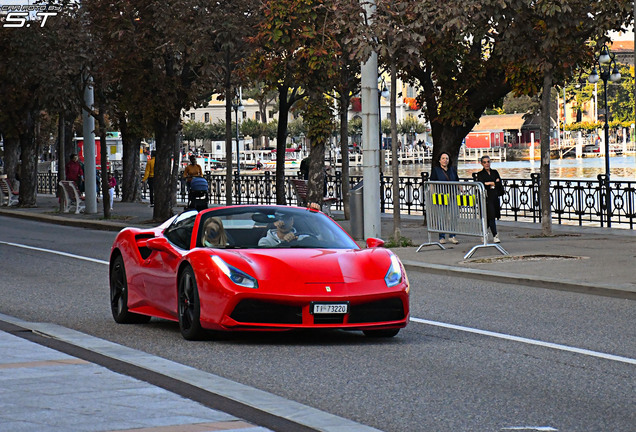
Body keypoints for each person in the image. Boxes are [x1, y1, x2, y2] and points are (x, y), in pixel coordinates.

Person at [429, 151, 459, 245]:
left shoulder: (452, 169)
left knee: (454, 215)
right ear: (439, 160)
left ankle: (452, 235)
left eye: (447, 158)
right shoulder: (436, 170)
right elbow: (432, 184)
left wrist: (461, 190)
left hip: (452, 196)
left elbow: (457, 181)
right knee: (442, 216)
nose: (445, 160)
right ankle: (441, 237)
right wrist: (433, 195)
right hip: (441, 197)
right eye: (443, 158)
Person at [476, 155, 503, 243]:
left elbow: (499, 184)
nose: (487, 164)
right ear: (482, 164)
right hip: (486, 198)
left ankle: (483, 233)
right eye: (485, 162)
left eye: (488, 162)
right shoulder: (480, 174)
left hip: (494, 197)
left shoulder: (495, 172)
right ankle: (495, 235)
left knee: (490, 217)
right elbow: (481, 184)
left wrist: (491, 183)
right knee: (491, 217)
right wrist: (493, 183)